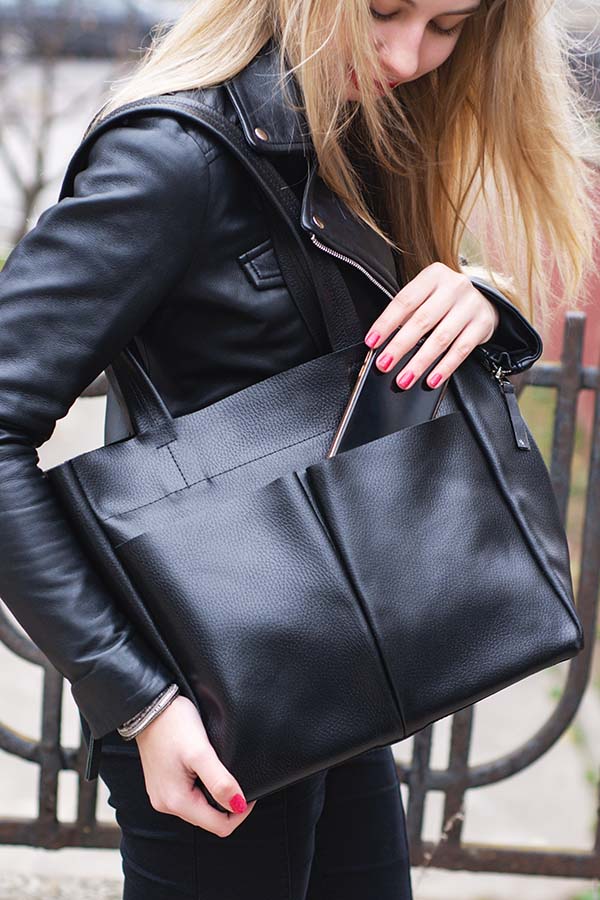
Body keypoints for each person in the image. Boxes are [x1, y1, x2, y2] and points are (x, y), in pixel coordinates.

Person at [0, 1, 596, 898]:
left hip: (329, 671)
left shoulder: (347, 132)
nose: (406, 55)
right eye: (385, 11)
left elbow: (359, 382)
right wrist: (141, 701)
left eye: (448, 25)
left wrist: (480, 303)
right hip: (208, 705)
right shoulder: (174, 156)